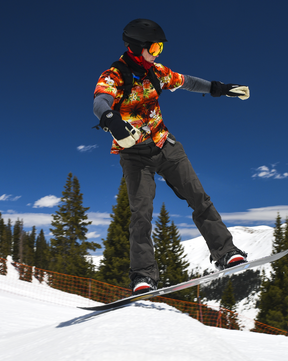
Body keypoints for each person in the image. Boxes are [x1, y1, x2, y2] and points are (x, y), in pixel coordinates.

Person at [93, 18, 249, 295]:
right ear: (136, 47)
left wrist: (219, 88)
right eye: (154, 46)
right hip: (135, 156)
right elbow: (100, 100)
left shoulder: (157, 72)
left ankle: (225, 252)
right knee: (141, 213)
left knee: (198, 197)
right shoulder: (114, 75)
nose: (158, 52)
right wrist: (110, 119)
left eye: (160, 47)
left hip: (166, 145)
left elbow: (187, 82)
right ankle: (143, 276)